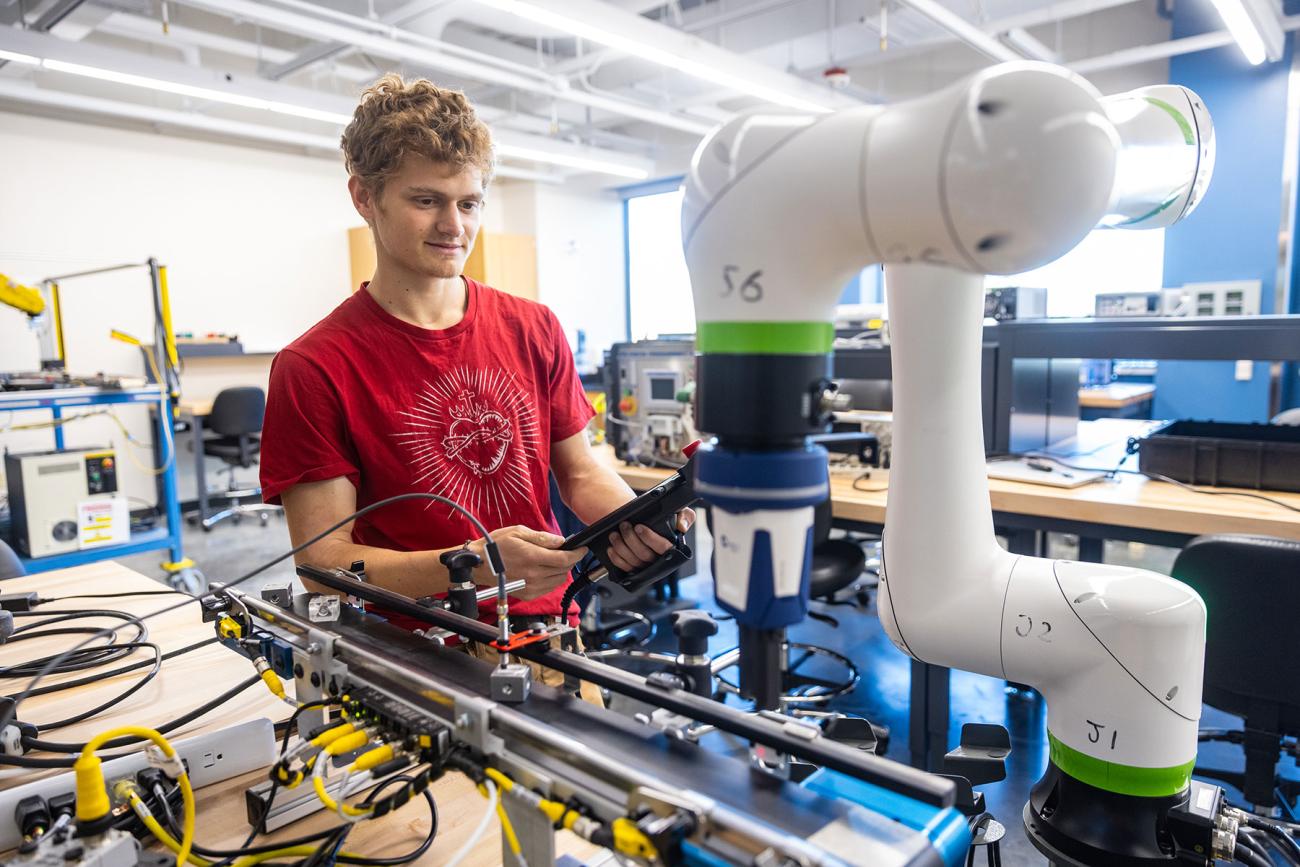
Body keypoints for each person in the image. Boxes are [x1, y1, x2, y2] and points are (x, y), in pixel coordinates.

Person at [259, 74, 692, 694]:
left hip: (548, 636)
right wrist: (475, 567)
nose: (453, 226)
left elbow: (580, 472)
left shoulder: (534, 326)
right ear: (364, 197)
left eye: (469, 203)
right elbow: (325, 569)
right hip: (409, 656)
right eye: (426, 200)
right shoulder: (315, 366)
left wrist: (642, 522)